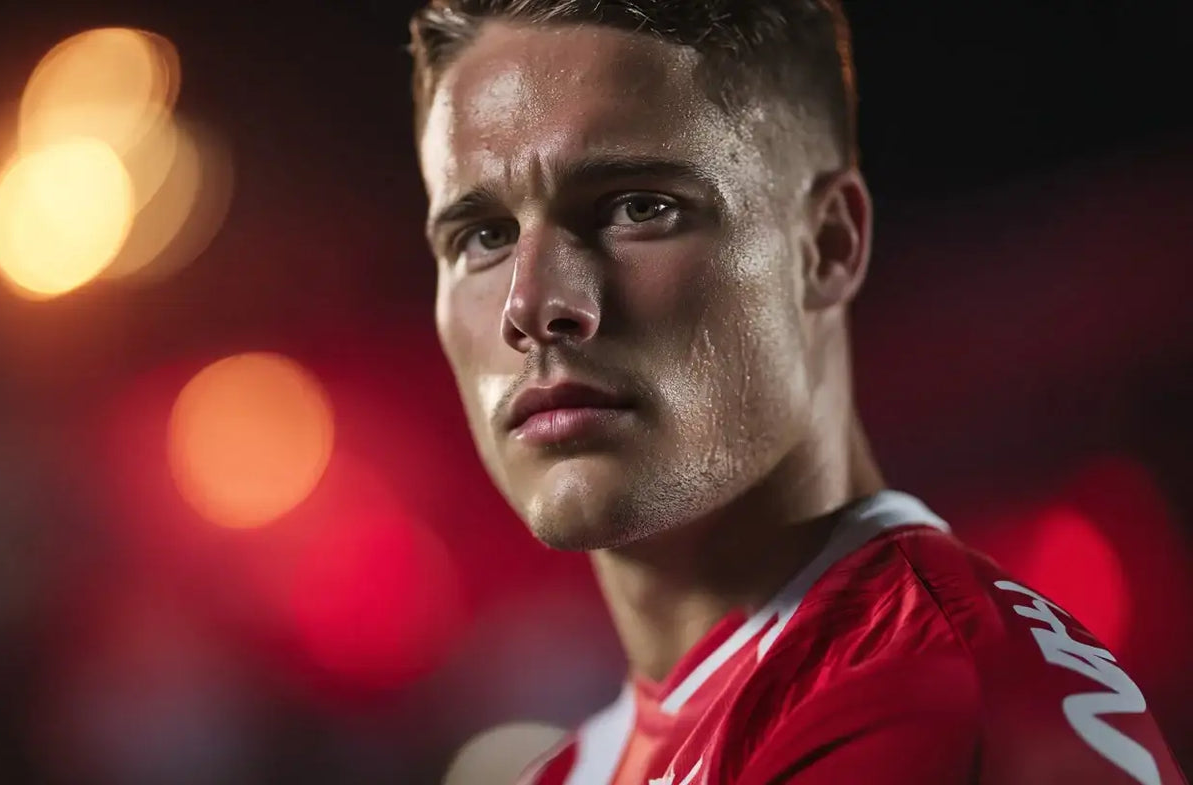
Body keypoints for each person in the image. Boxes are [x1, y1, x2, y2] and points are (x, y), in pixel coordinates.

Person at [405, 1, 1187, 783]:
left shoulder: (926, 704)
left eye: (639, 207)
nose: (532, 306)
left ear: (827, 246)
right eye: (485, 236)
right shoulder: (575, 766)